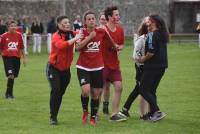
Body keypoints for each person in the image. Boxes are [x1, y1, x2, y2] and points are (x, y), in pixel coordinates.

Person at [76, 10, 118, 125]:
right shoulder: (81, 32)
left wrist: (115, 47)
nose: (91, 21)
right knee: (85, 91)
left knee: (95, 94)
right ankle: (85, 111)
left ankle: (93, 117)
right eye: (89, 19)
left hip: (97, 67)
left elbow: (109, 39)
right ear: (85, 22)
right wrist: (90, 37)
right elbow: (78, 47)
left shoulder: (101, 31)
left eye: (93, 18)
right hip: (83, 66)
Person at [46, 15, 83, 125]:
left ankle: (54, 114)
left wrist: (83, 34)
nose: (67, 24)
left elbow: (83, 34)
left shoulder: (72, 34)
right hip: (53, 68)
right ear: (59, 25)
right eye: (64, 23)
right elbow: (61, 46)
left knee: (60, 94)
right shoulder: (55, 36)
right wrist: (75, 39)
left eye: (68, 22)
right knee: (56, 91)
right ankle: (53, 117)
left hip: (66, 70)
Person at [137, 14, 169, 122]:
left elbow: (150, 53)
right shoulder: (162, 34)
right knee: (151, 90)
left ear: (153, 22)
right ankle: (152, 113)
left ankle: (157, 111)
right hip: (162, 67)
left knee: (143, 89)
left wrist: (142, 59)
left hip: (152, 67)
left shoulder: (151, 35)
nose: (147, 23)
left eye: (149, 21)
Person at [120, 17, 149, 120]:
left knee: (138, 89)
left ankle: (125, 109)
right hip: (141, 68)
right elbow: (135, 57)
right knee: (142, 89)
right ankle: (144, 114)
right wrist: (143, 60)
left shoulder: (147, 38)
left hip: (146, 68)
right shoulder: (141, 40)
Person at [102, 6, 126, 121]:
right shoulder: (102, 30)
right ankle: (94, 113)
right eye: (116, 15)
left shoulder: (120, 29)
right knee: (98, 90)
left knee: (119, 87)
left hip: (115, 65)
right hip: (102, 65)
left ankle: (114, 114)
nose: (118, 16)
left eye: (118, 14)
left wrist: (119, 47)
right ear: (109, 17)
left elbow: (121, 44)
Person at [0, 20, 26, 99]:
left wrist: (24, 58)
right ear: (8, 27)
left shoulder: (19, 35)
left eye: (14, 26)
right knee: (10, 75)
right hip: (7, 57)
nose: (13, 27)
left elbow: (21, 47)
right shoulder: (4, 36)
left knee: (13, 76)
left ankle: (7, 93)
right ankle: (10, 94)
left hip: (16, 57)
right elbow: (1, 48)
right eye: (11, 26)